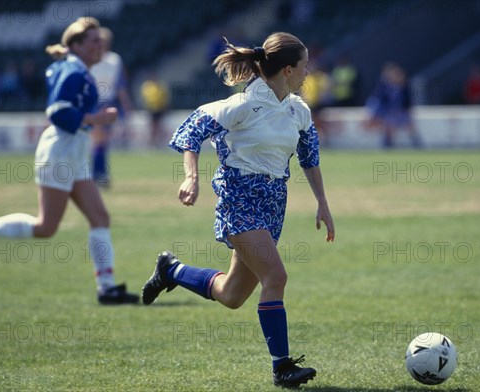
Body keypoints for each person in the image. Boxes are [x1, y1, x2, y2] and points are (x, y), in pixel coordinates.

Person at [141, 32, 335, 388]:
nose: (309, 73)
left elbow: (310, 157)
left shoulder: (299, 110)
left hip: (274, 205)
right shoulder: (243, 105)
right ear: (289, 69)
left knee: (231, 295)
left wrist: (323, 202)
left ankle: (171, 270)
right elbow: (192, 130)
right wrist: (191, 178)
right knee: (275, 278)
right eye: (305, 66)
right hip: (238, 200)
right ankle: (282, 368)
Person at [0, 17, 139, 305]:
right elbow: (57, 112)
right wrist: (95, 118)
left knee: (100, 217)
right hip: (60, 151)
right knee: (45, 227)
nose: (101, 45)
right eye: (94, 41)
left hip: (74, 151)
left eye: (100, 40)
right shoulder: (73, 71)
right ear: (75, 45)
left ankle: (108, 289)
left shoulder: (76, 68)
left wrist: (91, 120)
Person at [89, 26, 133, 187]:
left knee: (103, 141)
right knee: (98, 139)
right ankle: (97, 174)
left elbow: (120, 84)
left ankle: (99, 174)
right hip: (93, 103)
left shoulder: (114, 60)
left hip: (108, 103)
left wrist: (126, 104)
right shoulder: (90, 59)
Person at [366, 62, 422, 149]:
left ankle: (417, 144)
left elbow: (408, 100)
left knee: (410, 125)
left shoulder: (404, 86)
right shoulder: (385, 86)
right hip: (390, 111)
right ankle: (387, 145)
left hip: (401, 111)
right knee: (389, 126)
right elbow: (380, 100)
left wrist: (406, 108)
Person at [140, 72, 169, 147]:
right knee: (152, 126)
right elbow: (147, 97)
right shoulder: (147, 85)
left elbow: (164, 96)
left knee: (159, 126)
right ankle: (152, 142)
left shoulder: (160, 85)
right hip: (151, 108)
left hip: (160, 108)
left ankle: (159, 141)